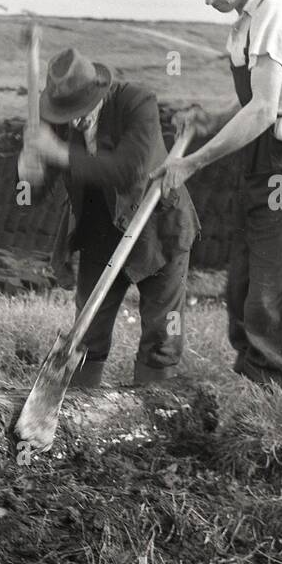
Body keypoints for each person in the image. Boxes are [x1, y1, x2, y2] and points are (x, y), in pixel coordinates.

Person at [153, 0, 282, 392]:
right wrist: (211, 120)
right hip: (263, 148)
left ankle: (270, 389)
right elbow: (256, 100)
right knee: (246, 277)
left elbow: (266, 109)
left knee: (274, 276)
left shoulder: (273, 17)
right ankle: (250, 379)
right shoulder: (248, 20)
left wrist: (192, 162)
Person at [22, 48, 199, 388]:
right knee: (88, 334)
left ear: (98, 94)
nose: (73, 121)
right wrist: (28, 174)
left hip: (157, 227)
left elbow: (130, 170)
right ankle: (79, 409)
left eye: (78, 112)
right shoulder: (53, 115)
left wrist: (59, 152)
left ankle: (155, 408)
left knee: (162, 335)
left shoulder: (137, 102)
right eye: (65, 114)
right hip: (99, 232)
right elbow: (34, 192)